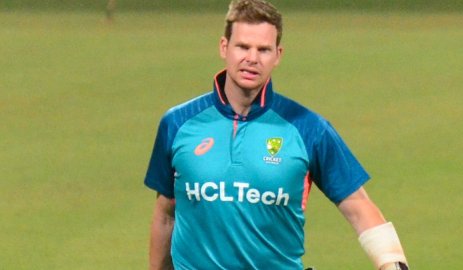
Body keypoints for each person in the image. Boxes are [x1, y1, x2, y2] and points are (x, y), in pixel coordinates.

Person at [144, 0, 409, 269]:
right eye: (243, 47)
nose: (252, 58)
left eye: (263, 49)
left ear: (278, 54)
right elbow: (166, 214)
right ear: (224, 47)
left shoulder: (308, 129)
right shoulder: (177, 124)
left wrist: (391, 262)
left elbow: (357, 205)